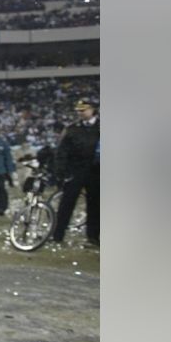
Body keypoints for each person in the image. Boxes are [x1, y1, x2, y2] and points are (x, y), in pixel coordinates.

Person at [52, 99, 100, 246]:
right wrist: (60, 172)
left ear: (93, 110)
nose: (80, 113)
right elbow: (62, 151)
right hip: (75, 171)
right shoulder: (72, 129)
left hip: (96, 172)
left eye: (84, 110)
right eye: (79, 110)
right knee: (66, 204)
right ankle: (58, 235)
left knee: (95, 205)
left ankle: (93, 236)